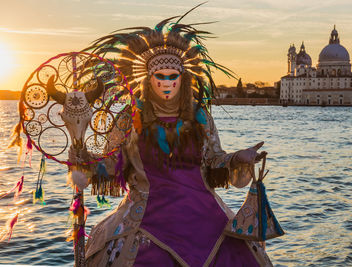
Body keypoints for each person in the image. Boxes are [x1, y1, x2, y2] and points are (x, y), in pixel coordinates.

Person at [82, 12, 273, 267]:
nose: (167, 83)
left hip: (204, 215)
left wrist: (239, 158)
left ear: (183, 79)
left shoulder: (200, 117)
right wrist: (84, 160)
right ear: (148, 80)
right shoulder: (131, 118)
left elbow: (214, 160)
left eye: (173, 76)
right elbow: (111, 163)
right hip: (147, 218)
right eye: (160, 77)